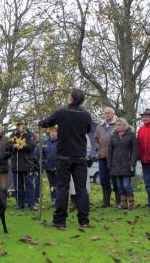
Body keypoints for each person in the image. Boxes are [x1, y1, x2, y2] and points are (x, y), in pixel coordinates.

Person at [36, 88, 91, 228]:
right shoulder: (86, 115)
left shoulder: (62, 112)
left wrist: (39, 122)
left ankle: (60, 221)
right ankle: (84, 220)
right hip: (80, 156)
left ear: (71, 99)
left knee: (62, 188)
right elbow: (88, 129)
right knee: (81, 189)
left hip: (64, 156)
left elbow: (47, 122)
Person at [108, 118, 138, 209]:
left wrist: (132, 162)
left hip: (127, 164)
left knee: (126, 185)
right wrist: (109, 164)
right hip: (115, 165)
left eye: (120, 125)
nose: (118, 126)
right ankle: (123, 203)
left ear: (124, 125)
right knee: (119, 186)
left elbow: (134, 150)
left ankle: (132, 203)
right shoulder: (113, 136)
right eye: (117, 125)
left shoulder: (131, 135)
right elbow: (110, 152)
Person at [93, 107, 119, 208]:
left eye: (108, 113)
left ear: (113, 114)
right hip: (102, 157)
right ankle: (106, 201)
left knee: (115, 179)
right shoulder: (100, 126)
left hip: (114, 157)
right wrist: (98, 148)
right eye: (105, 113)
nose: (106, 115)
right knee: (103, 179)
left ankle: (118, 201)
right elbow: (95, 139)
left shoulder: (117, 124)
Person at [9, 121, 37, 211]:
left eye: (23, 125)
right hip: (16, 165)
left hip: (28, 164)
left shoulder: (30, 135)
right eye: (20, 125)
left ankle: (31, 203)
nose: (22, 127)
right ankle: (20, 204)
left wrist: (21, 145)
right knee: (18, 186)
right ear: (17, 127)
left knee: (29, 185)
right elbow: (7, 146)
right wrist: (13, 146)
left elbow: (32, 146)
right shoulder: (13, 135)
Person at [137, 108, 150, 207]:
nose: (144, 118)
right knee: (147, 182)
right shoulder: (140, 130)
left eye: (146, 116)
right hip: (144, 160)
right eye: (143, 116)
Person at [34, 127, 57, 207]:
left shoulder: (61, 141)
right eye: (51, 131)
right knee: (52, 184)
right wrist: (43, 161)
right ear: (49, 132)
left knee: (59, 184)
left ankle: (59, 200)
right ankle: (54, 200)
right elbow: (37, 153)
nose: (53, 133)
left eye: (55, 131)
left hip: (59, 167)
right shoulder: (45, 142)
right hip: (48, 167)